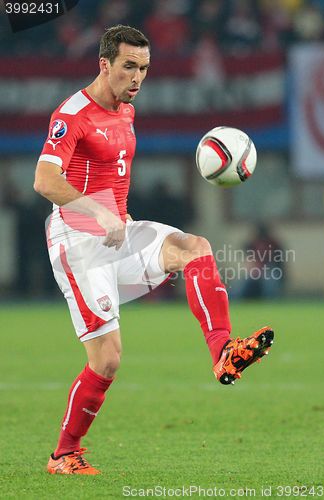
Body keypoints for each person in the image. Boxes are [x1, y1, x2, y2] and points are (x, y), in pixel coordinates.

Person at [34, 25, 274, 475]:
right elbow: (45, 181)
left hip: (119, 233)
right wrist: (98, 213)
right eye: (128, 67)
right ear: (103, 64)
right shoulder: (72, 115)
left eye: (143, 68)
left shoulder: (126, 111)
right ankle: (64, 454)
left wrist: (115, 218)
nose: (137, 78)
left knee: (195, 248)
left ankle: (223, 351)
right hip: (78, 242)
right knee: (106, 360)